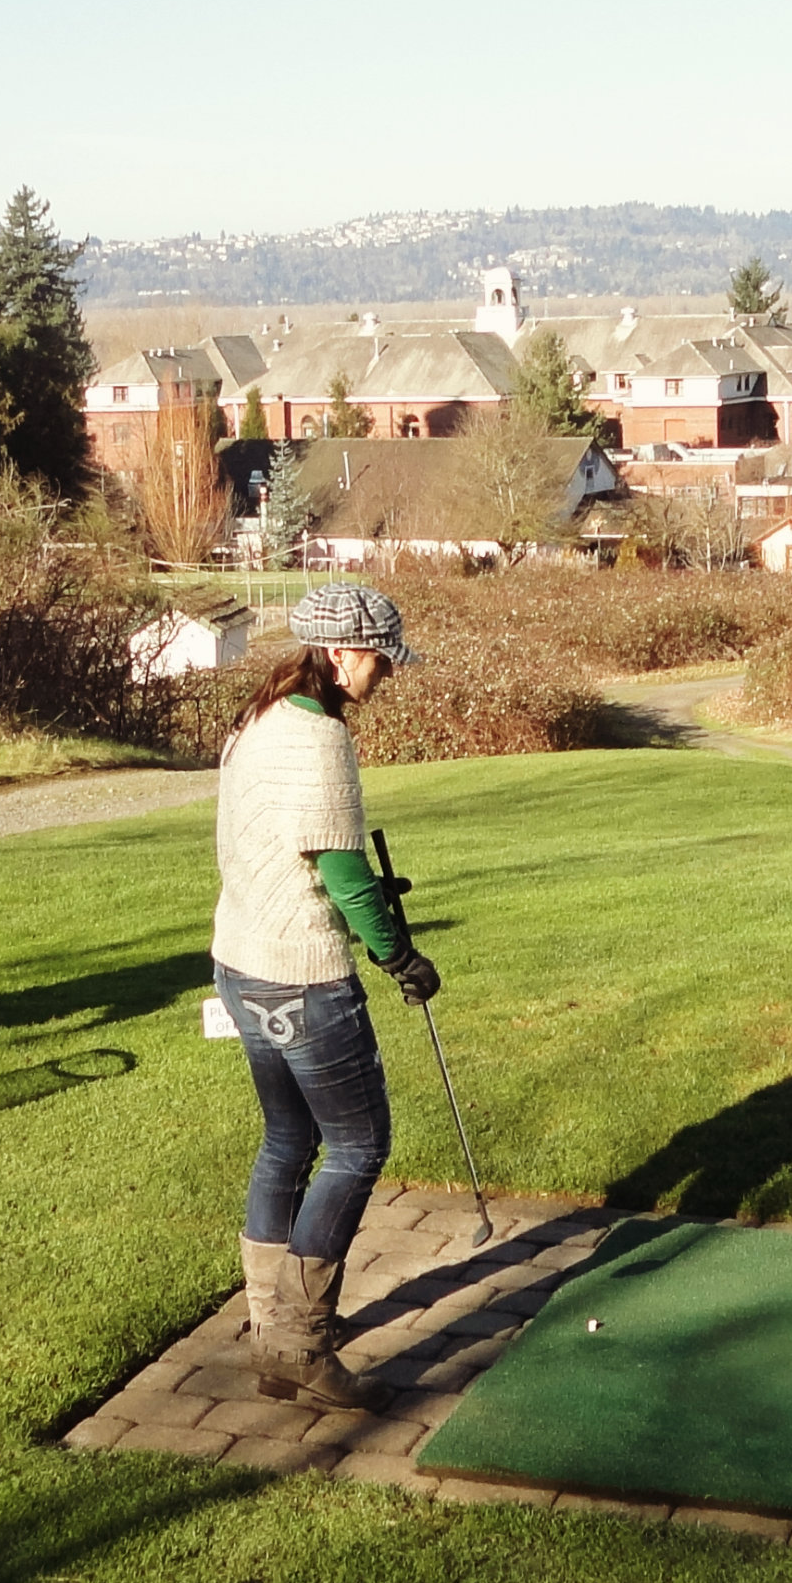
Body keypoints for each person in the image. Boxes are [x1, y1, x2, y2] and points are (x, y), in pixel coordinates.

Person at [208, 577, 444, 1410]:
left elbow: (291, 849)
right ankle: (298, 1344)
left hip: (240, 962)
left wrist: (369, 906)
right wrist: (398, 954)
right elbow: (342, 873)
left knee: (287, 1139)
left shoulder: (260, 718)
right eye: (380, 657)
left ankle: (269, 1320)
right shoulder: (318, 738)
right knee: (356, 1146)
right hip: (301, 977)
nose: (387, 671)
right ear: (341, 654)